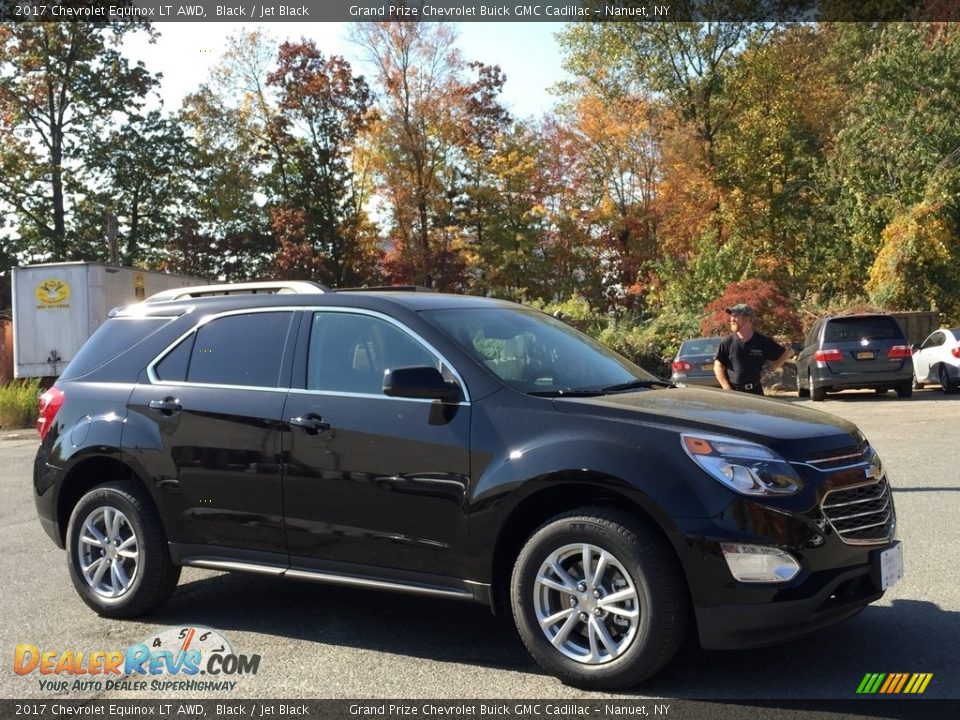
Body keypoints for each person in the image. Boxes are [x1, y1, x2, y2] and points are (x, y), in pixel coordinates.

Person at [713, 303, 790, 395]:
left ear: (747, 318)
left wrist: (769, 369)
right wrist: (727, 388)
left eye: (735, 316)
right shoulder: (727, 341)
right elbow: (718, 366)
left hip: (756, 391)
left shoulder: (762, 341)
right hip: (734, 392)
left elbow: (784, 354)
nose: (732, 319)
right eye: (731, 316)